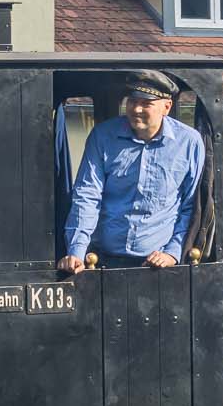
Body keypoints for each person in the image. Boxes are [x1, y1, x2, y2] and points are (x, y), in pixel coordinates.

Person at [60, 74, 207, 271]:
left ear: (166, 107)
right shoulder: (103, 136)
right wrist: (76, 252)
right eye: (132, 101)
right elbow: (87, 196)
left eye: (146, 103)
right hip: (102, 260)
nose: (136, 109)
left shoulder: (189, 142)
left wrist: (172, 253)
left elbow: (191, 205)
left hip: (160, 266)